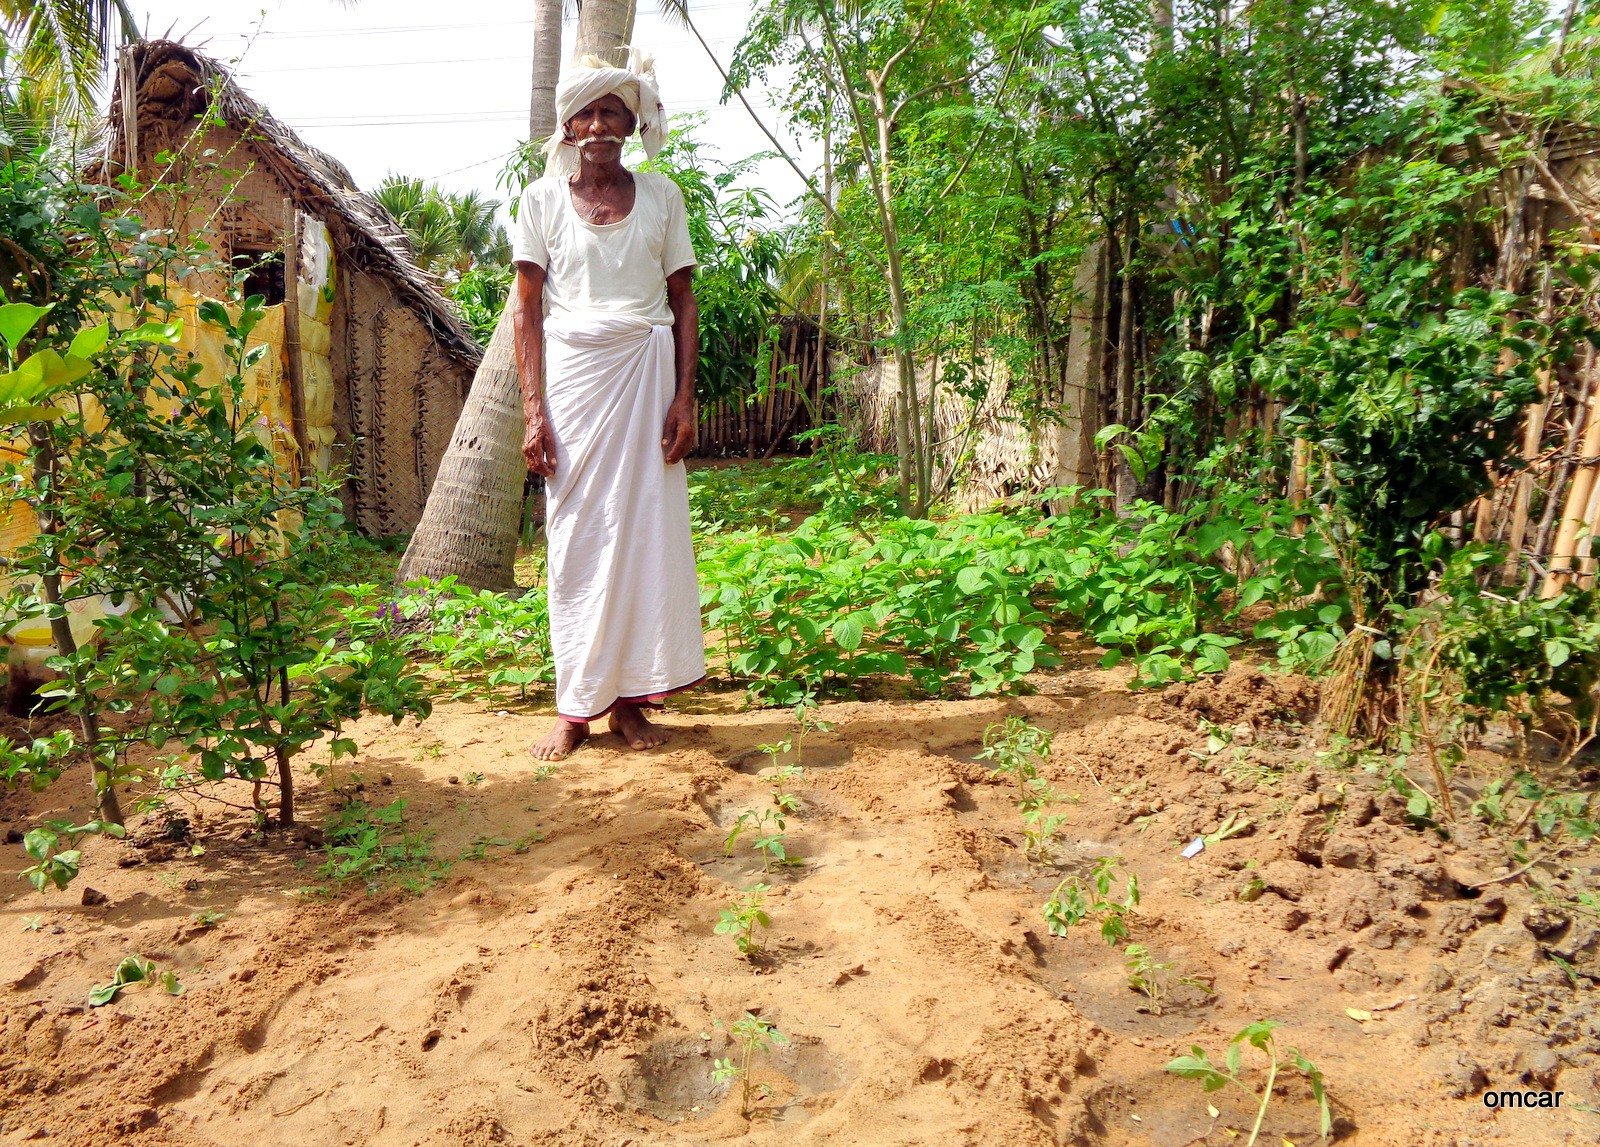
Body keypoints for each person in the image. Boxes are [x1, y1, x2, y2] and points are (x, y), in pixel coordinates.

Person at [510, 51, 706, 761]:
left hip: (648, 377)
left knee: (643, 539)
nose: (599, 125)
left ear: (630, 124)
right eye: (587, 112)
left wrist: (685, 396)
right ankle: (575, 707)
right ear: (568, 123)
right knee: (576, 541)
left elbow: (683, 300)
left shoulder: (662, 198)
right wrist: (533, 412)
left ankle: (628, 702)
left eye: (612, 112)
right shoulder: (540, 201)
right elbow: (525, 314)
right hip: (574, 384)